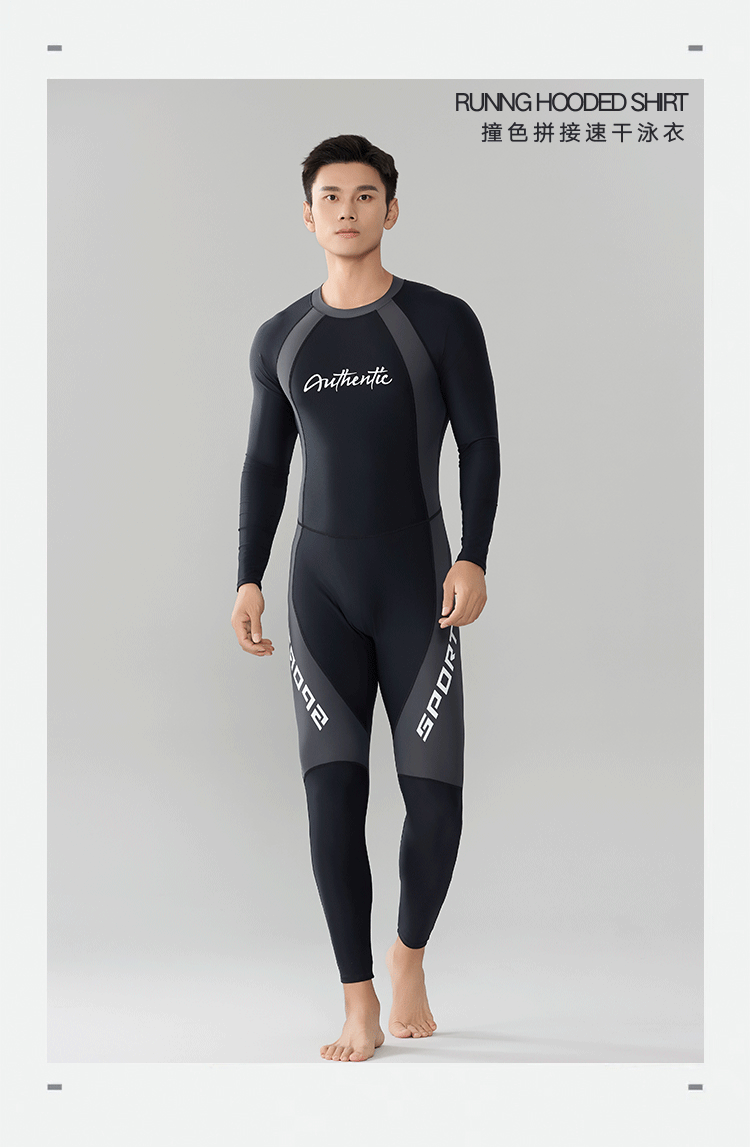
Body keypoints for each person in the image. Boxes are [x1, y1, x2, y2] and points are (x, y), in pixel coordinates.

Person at [230, 134, 500, 1062]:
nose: (348, 209)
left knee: (437, 806)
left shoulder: (440, 321)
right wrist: (247, 573)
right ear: (308, 216)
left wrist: (473, 556)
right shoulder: (282, 339)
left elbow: (480, 444)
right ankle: (357, 1000)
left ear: (392, 208)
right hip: (321, 592)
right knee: (331, 802)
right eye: (331, 196)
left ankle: (408, 954)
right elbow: (265, 462)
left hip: (417, 586)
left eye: (365, 194)